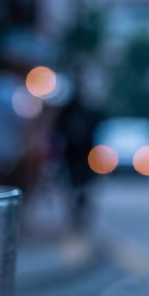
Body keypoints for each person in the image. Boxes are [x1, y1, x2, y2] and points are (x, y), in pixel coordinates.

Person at [53, 79, 103, 231]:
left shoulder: (88, 112)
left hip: (84, 154)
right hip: (72, 154)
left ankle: (79, 212)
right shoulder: (69, 111)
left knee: (84, 187)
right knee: (73, 186)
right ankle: (75, 213)